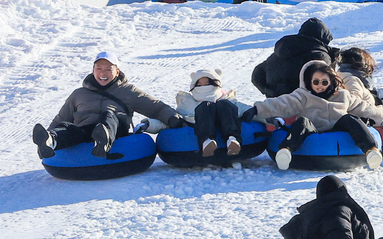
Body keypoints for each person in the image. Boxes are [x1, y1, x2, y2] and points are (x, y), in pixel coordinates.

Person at [33, 52, 185, 160]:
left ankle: (103, 140)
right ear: (93, 71)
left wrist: (172, 118)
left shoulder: (128, 91)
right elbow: (61, 119)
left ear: (117, 71)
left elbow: (156, 107)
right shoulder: (78, 94)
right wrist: (49, 134)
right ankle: (51, 141)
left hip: (115, 130)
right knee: (69, 127)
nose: (102, 73)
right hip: (86, 132)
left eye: (108, 69)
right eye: (99, 69)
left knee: (109, 115)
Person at [243, 61, 383, 170]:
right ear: (309, 82)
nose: (320, 86)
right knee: (302, 122)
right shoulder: (304, 96)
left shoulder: (343, 95)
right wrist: (258, 109)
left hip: (338, 127)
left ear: (331, 81)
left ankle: (371, 150)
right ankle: (286, 151)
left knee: (351, 119)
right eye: (316, 82)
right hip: (313, 127)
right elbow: (282, 103)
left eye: (324, 82)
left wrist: (381, 115)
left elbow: (362, 107)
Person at [252, 17, 340, 98]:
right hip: (302, 107)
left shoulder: (283, 50)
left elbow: (257, 75)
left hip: (275, 105)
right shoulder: (319, 56)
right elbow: (326, 85)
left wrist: (270, 92)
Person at [174, 68, 251, 157]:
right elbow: (177, 115)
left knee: (224, 104)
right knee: (204, 106)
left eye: (207, 84)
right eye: (199, 85)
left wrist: (254, 112)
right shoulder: (189, 102)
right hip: (202, 124)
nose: (204, 88)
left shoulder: (226, 99)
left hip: (226, 121)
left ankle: (232, 140)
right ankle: (207, 142)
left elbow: (244, 108)